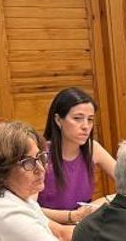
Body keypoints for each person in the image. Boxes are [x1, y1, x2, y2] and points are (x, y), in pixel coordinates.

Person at [37, 87, 117, 227]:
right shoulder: (40, 153)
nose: (86, 126)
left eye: (90, 120)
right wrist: (72, 216)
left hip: (83, 227)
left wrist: (100, 203)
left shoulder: (93, 148)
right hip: (47, 228)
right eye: (77, 118)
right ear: (58, 120)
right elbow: (27, 208)